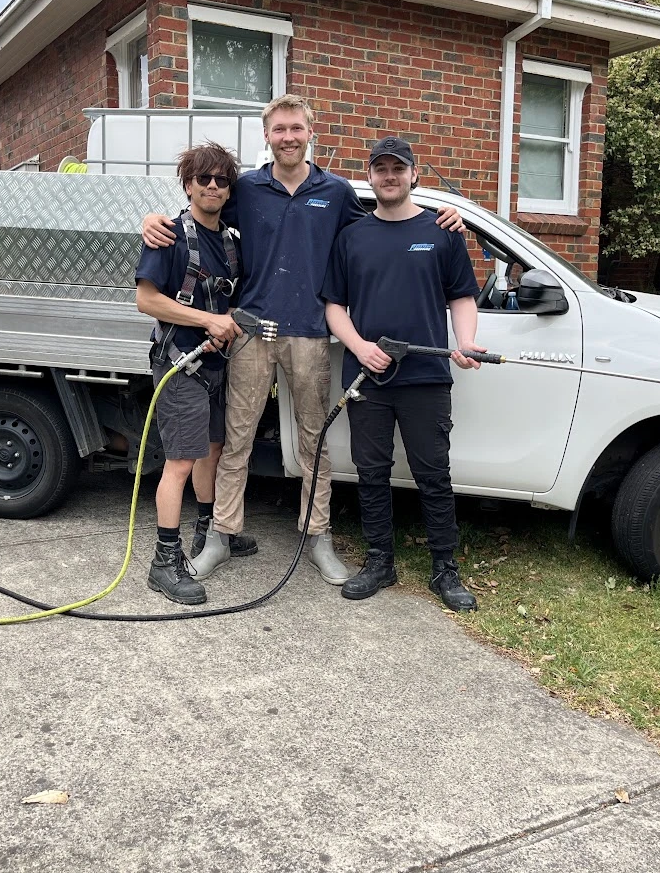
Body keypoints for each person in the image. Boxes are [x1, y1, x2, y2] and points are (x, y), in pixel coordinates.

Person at [143, 95, 463, 584]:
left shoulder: (335, 192)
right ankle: (220, 536)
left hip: (311, 335)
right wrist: (153, 221)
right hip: (250, 331)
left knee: (315, 442)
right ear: (266, 136)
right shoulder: (246, 188)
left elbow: (385, 228)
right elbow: (200, 209)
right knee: (236, 441)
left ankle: (318, 538)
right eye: (278, 129)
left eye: (296, 128)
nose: (288, 137)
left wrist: (444, 217)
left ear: (310, 132)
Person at [321, 136, 483, 612]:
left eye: (398, 168)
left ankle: (444, 570)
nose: (389, 176)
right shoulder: (352, 236)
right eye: (380, 169)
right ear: (370, 176)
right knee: (372, 474)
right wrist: (360, 348)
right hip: (367, 377)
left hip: (427, 378)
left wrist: (466, 341)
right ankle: (379, 562)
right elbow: (334, 306)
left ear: (414, 175)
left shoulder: (442, 231)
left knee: (434, 475)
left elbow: (462, 297)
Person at [134, 141, 243, 605]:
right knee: (179, 462)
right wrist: (208, 321)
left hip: (218, 367)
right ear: (188, 184)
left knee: (210, 452)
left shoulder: (230, 242)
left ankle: (208, 531)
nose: (213, 186)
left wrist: (229, 319)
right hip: (181, 365)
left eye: (221, 179)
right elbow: (147, 299)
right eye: (204, 179)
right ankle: (164, 562)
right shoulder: (168, 235)